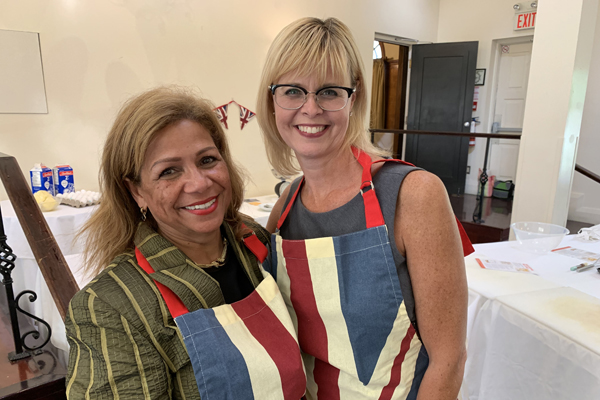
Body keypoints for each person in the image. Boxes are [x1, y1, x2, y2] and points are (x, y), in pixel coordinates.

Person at [256, 17, 474, 399]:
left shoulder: (413, 196)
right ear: (272, 101)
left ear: (353, 98)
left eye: (329, 92)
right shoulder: (283, 210)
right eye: (292, 91)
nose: (311, 108)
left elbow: (448, 360)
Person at [65, 86, 306, 400]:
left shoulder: (253, 242)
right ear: (136, 191)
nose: (199, 183)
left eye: (207, 160)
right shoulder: (110, 307)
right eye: (169, 171)